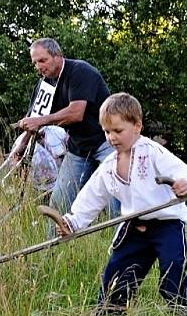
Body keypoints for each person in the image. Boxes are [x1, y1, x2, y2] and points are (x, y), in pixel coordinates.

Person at [56, 93, 187, 315]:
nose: (112, 137)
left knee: (173, 267)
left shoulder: (152, 152)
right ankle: (109, 314)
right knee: (118, 273)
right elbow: (92, 196)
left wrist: (183, 184)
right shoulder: (109, 165)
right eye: (107, 132)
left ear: (137, 125)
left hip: (167, 224)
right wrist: (72, 222)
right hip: (134, 226)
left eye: (118, 131)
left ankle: (182, 313)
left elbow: (180, 170)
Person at [16, 38, 116, 214]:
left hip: (107, 141)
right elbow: (35, 117)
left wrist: (39, 121)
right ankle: (52, 241)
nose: (38, 67)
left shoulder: (80, 71)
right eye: (34, 63)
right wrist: (21, 145)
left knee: (117, 196)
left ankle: (124, 239)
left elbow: (76, 113)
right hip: (78, 148)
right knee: (59, 202)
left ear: (57, 56)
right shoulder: (44, 83)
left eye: (42, 60)